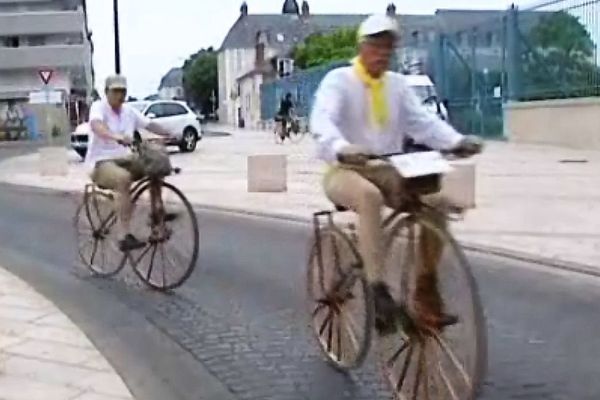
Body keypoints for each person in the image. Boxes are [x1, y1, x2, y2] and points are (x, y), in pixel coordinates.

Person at [310, 15, 483, 334]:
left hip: (389, 168)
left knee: (437, 201)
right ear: (362, 47)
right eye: (376, 45)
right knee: (368, 196)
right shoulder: (339, 80)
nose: (382, 52)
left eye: (388, 46)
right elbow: (322, 122)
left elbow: (423, 123)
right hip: (344, 170)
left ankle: (425, 288)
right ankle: (378, 292)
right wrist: (342, 147)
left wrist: (456, 141)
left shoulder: (397, 85)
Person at [86, 75, 174, 252]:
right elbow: (97, 126)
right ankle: (124, 236)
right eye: (116, 91)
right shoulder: (99, 107)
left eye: (123, 91)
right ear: (107, 92)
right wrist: (115, 136)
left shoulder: (129, 111)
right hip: (101, 162)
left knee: (156, 164)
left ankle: (156, 214)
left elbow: (149, 124)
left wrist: (168, 133)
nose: (120, 95)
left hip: (125, 159)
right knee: (123, 179)